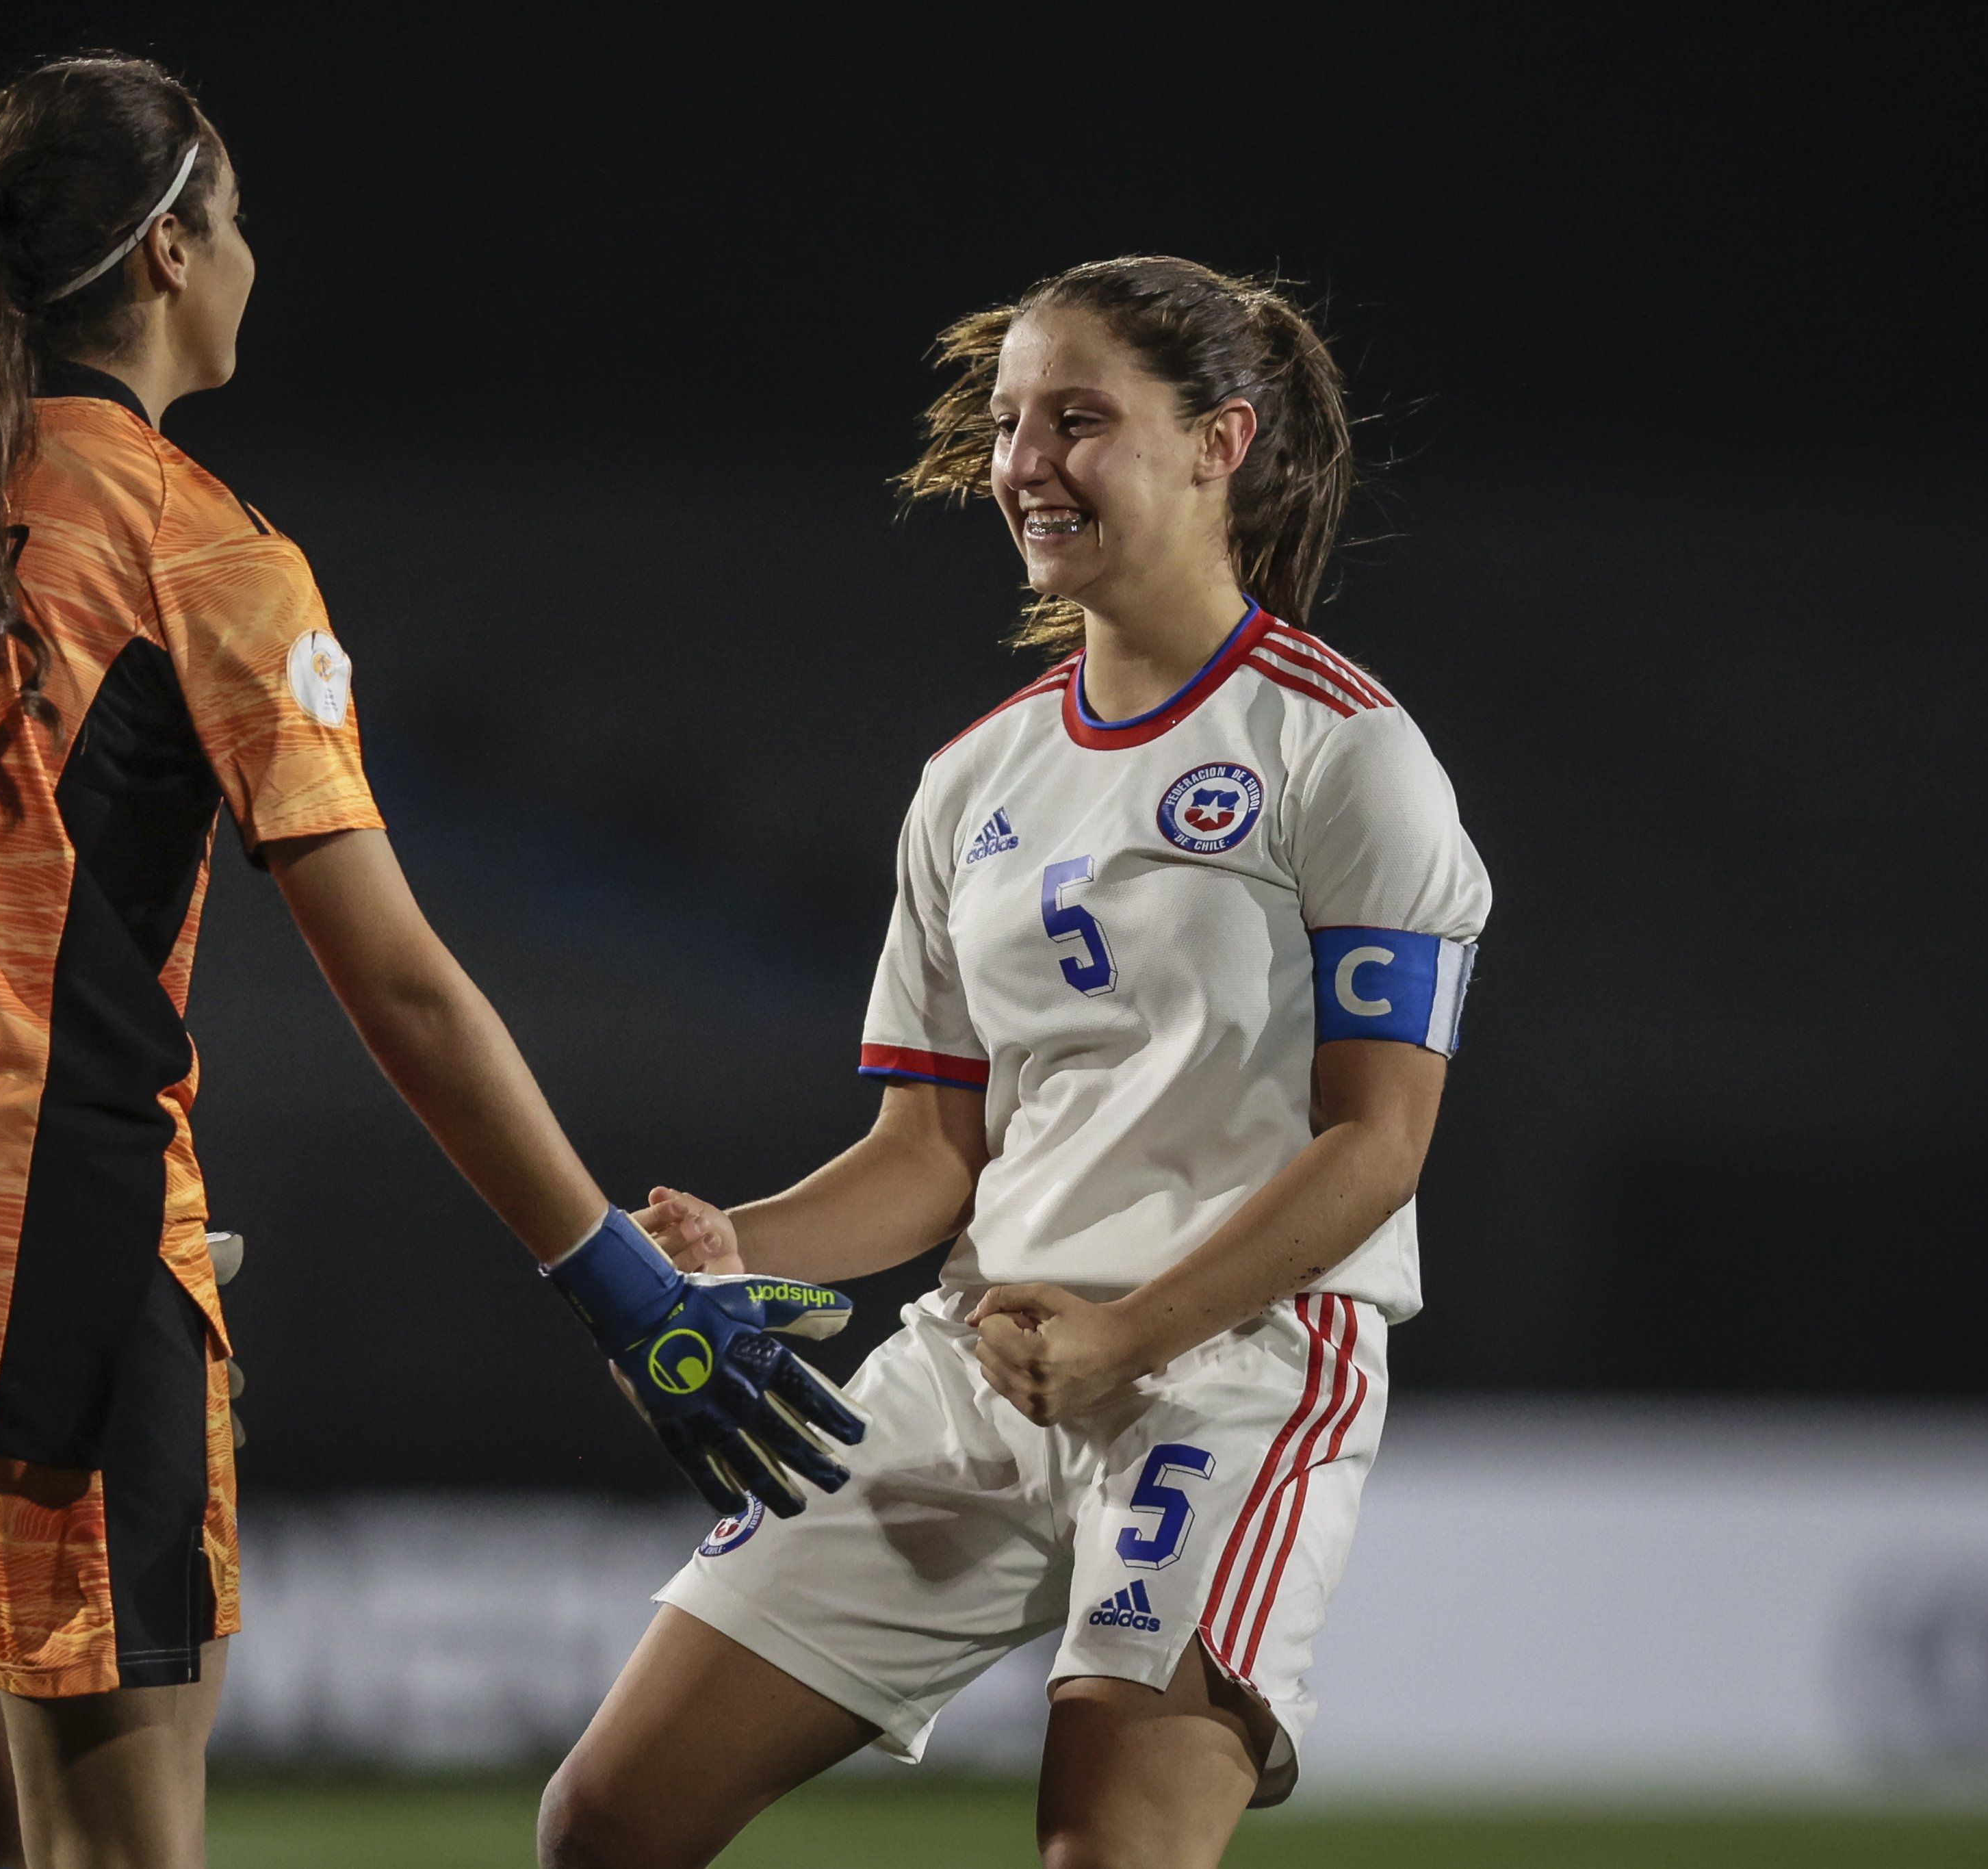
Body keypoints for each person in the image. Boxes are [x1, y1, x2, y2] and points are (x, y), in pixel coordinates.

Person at [0, 54, 859, 1869]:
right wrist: (609, 1276)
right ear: (175, 249)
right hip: (16, 1223)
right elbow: (402, 980)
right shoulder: (191, 541)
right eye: (242, 220)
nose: (259, 256)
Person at [539, 257, 1490, 1869]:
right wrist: (731, 1249)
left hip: (1232, 1369)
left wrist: (1130, 1332)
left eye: (1076, 420)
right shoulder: (972, 778)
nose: (1022, 463)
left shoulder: (1343, 753)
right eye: (1004, 425)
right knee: (608, 1820)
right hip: (982, 1365)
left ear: (1218, 443)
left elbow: (1376, 1145)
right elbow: (928, 1150)